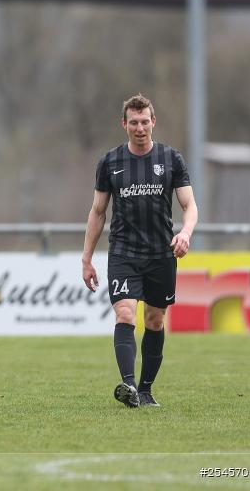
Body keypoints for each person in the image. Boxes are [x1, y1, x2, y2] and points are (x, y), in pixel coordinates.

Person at [81, 94, 198, 408]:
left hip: (161, 254)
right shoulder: (110, 162)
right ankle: (129, 386)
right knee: (125, 313)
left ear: (153, 122)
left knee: (155, 320)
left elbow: (189, 205)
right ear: (124, 124)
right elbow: (97, 212)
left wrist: (185, 233)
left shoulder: (171, 159)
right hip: (124, 253)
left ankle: (146, 390)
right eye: (133, 122)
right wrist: (87, 257)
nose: (140, 127)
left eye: (145, 121)